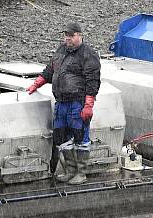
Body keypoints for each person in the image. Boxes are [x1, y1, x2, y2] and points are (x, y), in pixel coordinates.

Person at [27, 22, 101, 185]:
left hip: (78, 102)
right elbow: (50, 69)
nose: (68, 38)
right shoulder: (61, 50)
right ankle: (70, 170)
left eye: (71, 35)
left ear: (79, 35)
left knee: (81, 135)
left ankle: (81, 173)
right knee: (63, 136)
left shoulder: (89, 54)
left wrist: (89, 103)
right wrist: (37, 82)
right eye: (66, 35)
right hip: (61, 101)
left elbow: (93, 80)